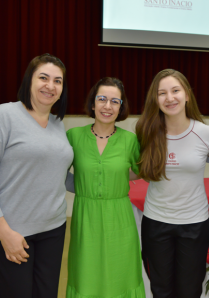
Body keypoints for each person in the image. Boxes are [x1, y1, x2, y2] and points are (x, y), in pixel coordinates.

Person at [0, 53, 74, 298]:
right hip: (13, 232)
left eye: (58, 81)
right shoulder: (3, 115)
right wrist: (4, 233)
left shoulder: (58, 123)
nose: (50, 85)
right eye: (43, 78)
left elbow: (59, 175)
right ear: (29, 81)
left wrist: (108, 181)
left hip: (53, 230)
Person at [135, 69, 209, 298]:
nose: (169, 98)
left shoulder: (206, 134)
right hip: (155, 223)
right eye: (161, 93)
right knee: (160, 290)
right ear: (155, 99)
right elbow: (134, 170)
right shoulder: (146, 131)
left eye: (175, 90)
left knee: (189, 291)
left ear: (187, 95)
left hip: (194, 225)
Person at [66, 77, 146, 298]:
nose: (107, 106)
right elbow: (57, 171)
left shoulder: (130, 140)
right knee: (85, 275)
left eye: (115, 101)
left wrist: (116, 179)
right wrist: (82, 186)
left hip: (119, 218)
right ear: (93, 104)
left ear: (121, 107)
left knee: (122, 275)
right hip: (85, 217)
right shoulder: (73, 137)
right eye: (102, 99)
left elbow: (142, 171)